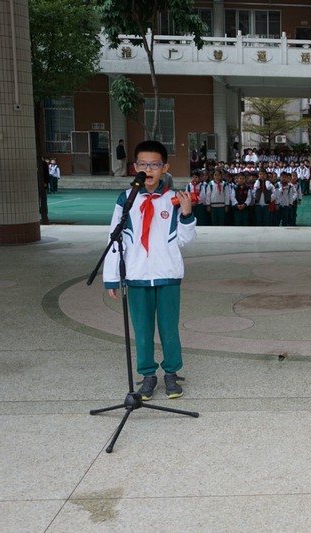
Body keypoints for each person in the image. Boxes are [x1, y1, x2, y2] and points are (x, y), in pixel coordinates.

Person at [103, 140, 196, 400]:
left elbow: (185, 240)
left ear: (164, 167)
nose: (149, 169)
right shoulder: (126, 199)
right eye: (143, 164)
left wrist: (187, 214)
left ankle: (171, 373)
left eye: (154, 164)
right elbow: (114, 238)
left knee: (169, 329)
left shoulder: (174, 199)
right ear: (135, 167)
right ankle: (147, 375)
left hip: (168, 276)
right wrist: (112, 278)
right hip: (136, 277)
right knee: (142, 331)